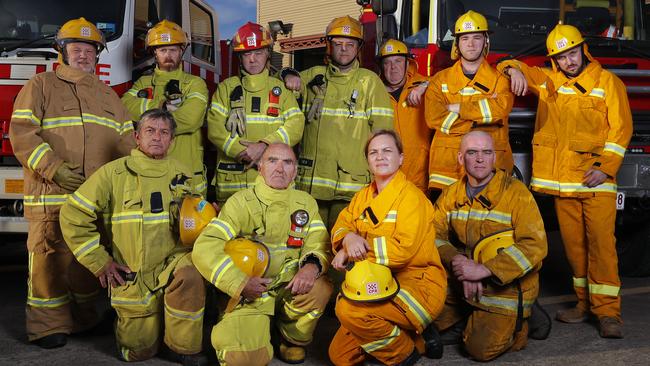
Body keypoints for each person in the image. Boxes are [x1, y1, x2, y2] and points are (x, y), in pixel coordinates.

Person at [8, 17, 135, 349]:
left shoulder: (109, 96)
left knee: (85, 264)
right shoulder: (40, 86)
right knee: (48, 261)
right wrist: (54, 169)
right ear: (61, 51)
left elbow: (126, 146)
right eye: (76, 48)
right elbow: (21, 134)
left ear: (98, 55)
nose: (83, 55)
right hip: (50, 196)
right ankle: (48, 326)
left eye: (89, 50)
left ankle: (84, 319)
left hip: (92, 204)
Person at [499, 24, 632, 338]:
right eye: (561, 57)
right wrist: (513, 69)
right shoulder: (548, 82)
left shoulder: (607, 83)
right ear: (554, 61)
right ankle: (584, 305)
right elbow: (507, 63)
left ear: (583, 50)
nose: (569, 61)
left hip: (596, 181)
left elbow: (620, 131)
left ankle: (608, 314)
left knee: (602, 247)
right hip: (564, 185)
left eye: (572, 53)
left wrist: (606, 168)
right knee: (574, 250)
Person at [60, 109, 207, 365]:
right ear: (137, 137)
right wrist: (99, 261)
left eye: (164, 133)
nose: (157, 137)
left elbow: (201, 218)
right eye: (150, 131)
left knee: (192, 275)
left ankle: (182, 347)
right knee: (137, 352)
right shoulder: (114, 173)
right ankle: (148, 333)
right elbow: (73, 213)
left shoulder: (185, 174)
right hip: (133, 271)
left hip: (174, 262)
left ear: (172, 140)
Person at [192, 143, 332, 365]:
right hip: (252, 292)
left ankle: (290, 339)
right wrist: (239, 283)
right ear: (260, 168)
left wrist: (311, 266)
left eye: (287, 163)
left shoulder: (306, 203)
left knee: (320, 288)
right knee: (243, 360)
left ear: (295, 171)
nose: (280, 168)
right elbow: (206, 246)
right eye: (272, 160)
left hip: (289, 287)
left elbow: (319, 242)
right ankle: (251, 324)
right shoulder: (240, 203)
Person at [328, 130, 447, 366]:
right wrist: (347, 239)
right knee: (340, 356)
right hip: (378, 282)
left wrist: (355, 246)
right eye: (373, 152)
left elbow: (402, 250)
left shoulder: (413, 198)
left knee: (348, 310)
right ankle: (419, 339)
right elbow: (341, 226)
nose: (380, 156)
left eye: (387, 151)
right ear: (368, 160)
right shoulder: (362, 197)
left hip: (417, 284)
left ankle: (403, 354)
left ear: (401, 158)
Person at [432, 131, 548, 361]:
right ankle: (472, 315)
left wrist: (484, 271)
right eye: (472, 152)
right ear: (460, 158)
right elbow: (434, 236)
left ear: (495, 157)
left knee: (479, 349)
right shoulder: (450, 194)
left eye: (487, 152)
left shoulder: (516, 194)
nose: (480, 159)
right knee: (425, 322)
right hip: (462, 281)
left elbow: (535, 245)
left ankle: (521, 324)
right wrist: (457, 261)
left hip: (503, 287)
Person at [280, 16, 394, 229]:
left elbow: (383, 136)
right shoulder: (314, 76)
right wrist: (287, 73)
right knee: (306, 242)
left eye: (349, 44)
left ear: (358, 47)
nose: (343, 49)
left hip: (351, 187)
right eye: (338, 44)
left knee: (344, 246)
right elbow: (275, 88)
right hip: (311, 185)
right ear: (329, 46)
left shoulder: (370, 82)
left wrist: (382, 178)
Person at [207, 22, 304, 202]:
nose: (252, 59)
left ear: (267, 54)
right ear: (240, 57)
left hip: (272, 186)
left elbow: (296, 125)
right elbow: (214, 129)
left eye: (258, 53)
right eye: (247, 53)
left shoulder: (280, 89)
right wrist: (241, 152)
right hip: (231, 186)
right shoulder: (225, 89)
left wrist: (265, 146)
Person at [424, 10, 514, 198]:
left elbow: (500, 110)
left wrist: (457, 109)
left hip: (490, 171)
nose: (471, 44)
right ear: (457, 43)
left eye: (476, 38)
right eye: (464, 39)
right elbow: (433, 118)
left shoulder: (501, 80)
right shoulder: (439, 80)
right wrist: (480, 121)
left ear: (486, 41)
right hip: (446, 170)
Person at [122, 20, 209, 195]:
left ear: (181, 52)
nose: (168, 55)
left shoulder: (195, 83)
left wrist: (147, 121)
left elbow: (190, 119)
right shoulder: (143, 82)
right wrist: (162, 106)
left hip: (187, 171)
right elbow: (124, 107)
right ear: (155, 53)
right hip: (149, 170)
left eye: (173, 50)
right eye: (162, 50)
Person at [378, 39, 432, 192]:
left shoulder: (423, 84)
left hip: (419, 178)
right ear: (382, 66)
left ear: (408, 64)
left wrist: (425, 86)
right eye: (387, 63)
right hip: (386, 179)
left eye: (398, 61)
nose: (393, 68)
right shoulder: (374, 92)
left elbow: (446, 80)